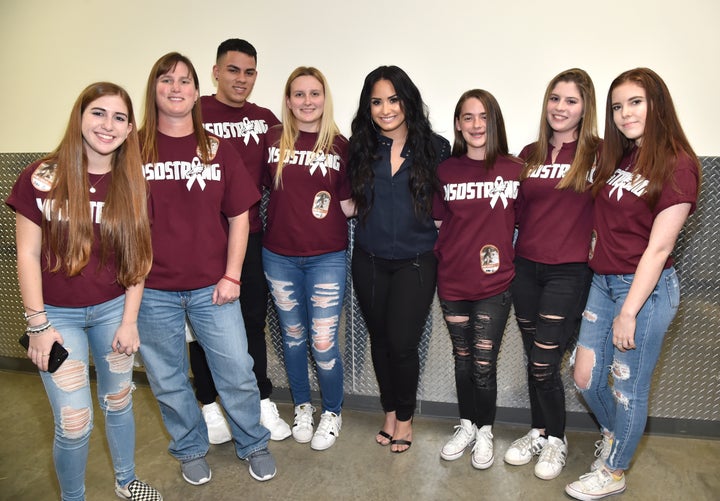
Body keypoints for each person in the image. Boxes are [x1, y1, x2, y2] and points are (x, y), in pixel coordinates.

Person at [6, 82, 162, 501]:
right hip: (57, 318)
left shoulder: (132, 183)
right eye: (98, 113)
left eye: (119, 117)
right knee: (74, 421)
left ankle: (126, 481)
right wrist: (38, 325)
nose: (107, 125)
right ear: (79, 117)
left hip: (113, 310)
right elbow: (26, 255)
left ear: (130, 130)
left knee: (120, 401)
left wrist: (130, 321)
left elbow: (138, 259)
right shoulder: (42, 176)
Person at [137, 52, 276, 485]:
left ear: (197, 92)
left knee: (236, 368)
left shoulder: (216, 148)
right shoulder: (132, 148)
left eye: (184, 81)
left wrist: (232, 275)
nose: (176, 88)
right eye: (166, 80)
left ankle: (252, 441)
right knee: (169, 377)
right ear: (154, 89)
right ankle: (190, 448)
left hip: (211, 288)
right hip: (152, 289)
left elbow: (240, 217)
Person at [565, 68, 701, 500]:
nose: (625, 114)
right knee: (584, 375)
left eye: (635, 102)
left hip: (644, 290)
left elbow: (659, 251)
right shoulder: (622, 156)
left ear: (657, 103)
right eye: (618, 106)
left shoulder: (678, 164)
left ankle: (615, 471)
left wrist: (629, 312)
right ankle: (614, 435)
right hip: (603, 282)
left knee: (627, 388)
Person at [192, 38, 290, 444]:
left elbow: (285, 174)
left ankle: (261, 399)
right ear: (215, 72)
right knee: (200, 327)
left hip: (248, 237)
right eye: (233, 70)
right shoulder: (192, 111)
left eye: (249, 72)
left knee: (252, 321)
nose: (241, 79)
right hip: (199, 243)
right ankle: (208, 405)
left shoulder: (266, 120)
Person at [503, 69, 600, 480]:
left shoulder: (599, 153)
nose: (560, 108)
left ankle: (557, 440)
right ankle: (539, 431)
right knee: (533, 358)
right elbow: (517, 213)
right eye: (555, 99)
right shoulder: (530, 152)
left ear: (585, 108)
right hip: (525, 267)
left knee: (545, 362)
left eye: (571, 101)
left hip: (570, 272)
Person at [348, 65, 450, 453]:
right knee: (380, 340)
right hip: (369, 260)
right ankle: (388, 411)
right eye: (376, 101)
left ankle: (405, 419)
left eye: (393, 99)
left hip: (417, 261)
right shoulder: (360, 146)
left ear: (407, 101)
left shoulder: (436, 147)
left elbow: (448, 205)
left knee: (403, 343)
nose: (385, 109)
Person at [263, 66, 353, 450]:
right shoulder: (272, 141)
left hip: (326, 258)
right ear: (288, 101)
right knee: (293, 339)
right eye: (298, 94)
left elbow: (349, 205)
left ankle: (332, 411)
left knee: (322, 343)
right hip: (279, 257)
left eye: (314, 94)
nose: (307, 101)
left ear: (325, 98)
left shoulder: (341, 146)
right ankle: (302, 406)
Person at [434, 90, 521, 470]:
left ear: (494, 120)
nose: (475, 124)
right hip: (452, 282)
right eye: (467, 117)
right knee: (463, 359)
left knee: (484, 363)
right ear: (457, 124)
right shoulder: (445, 171)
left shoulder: (515, 169)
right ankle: (467, 425)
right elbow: (440, 222)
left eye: (483, 116)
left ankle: (485, 429)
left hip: (494, 285)